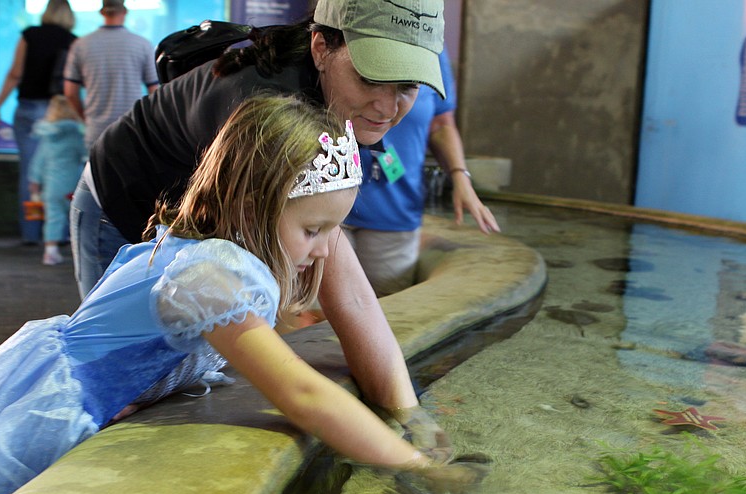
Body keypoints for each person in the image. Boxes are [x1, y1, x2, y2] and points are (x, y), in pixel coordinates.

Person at [0, 96, 473, 494]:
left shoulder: (196, 249)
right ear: (251, 204)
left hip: (50, 387)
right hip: (41, 414)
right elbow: (304, 395)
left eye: (335, 229)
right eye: (313, 228)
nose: (327, 249)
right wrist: (419, 466)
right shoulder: (213, 275)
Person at [69, 0, 458, 300]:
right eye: (371, 77)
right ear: (320, 47)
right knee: (122, 368)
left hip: (198, 214)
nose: (388, 110)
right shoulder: (266, 110)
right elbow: (331, 292)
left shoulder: (343, 101)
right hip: (122, 198)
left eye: (408, 87)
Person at [343, 50, 500, 296]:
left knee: (387, 311)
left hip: (395, 209)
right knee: (310, 316)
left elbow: (441, 122)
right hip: (330, 203)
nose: (386, 106)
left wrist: (460, 177)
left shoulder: (434, 52)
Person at [0, 0, 77, 245]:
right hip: (56, 111)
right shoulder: (72, 41)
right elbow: (72, 84)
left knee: (30, 172)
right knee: (63, 171)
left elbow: (15, 73)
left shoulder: (30, 35)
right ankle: (60, 234)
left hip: (27, 108)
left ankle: (31, 233)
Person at [63, 0, 159, 149]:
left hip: (96, 130)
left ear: (101, 12)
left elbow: (70, 93)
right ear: (125, 11)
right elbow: (154, 92)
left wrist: (86, 119)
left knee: (96, 172)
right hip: (132, 128)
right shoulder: (142, 44)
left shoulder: (80, 45)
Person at [27, 95, 87, 265]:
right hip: (71, 184)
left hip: (51, 185)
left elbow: (39, 161)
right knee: (76, 219)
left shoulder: (47, 137)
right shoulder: (75, 134)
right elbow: (84, 154)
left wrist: (34, 182)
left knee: (53, 217)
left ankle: (50, 251)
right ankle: (79, 252)